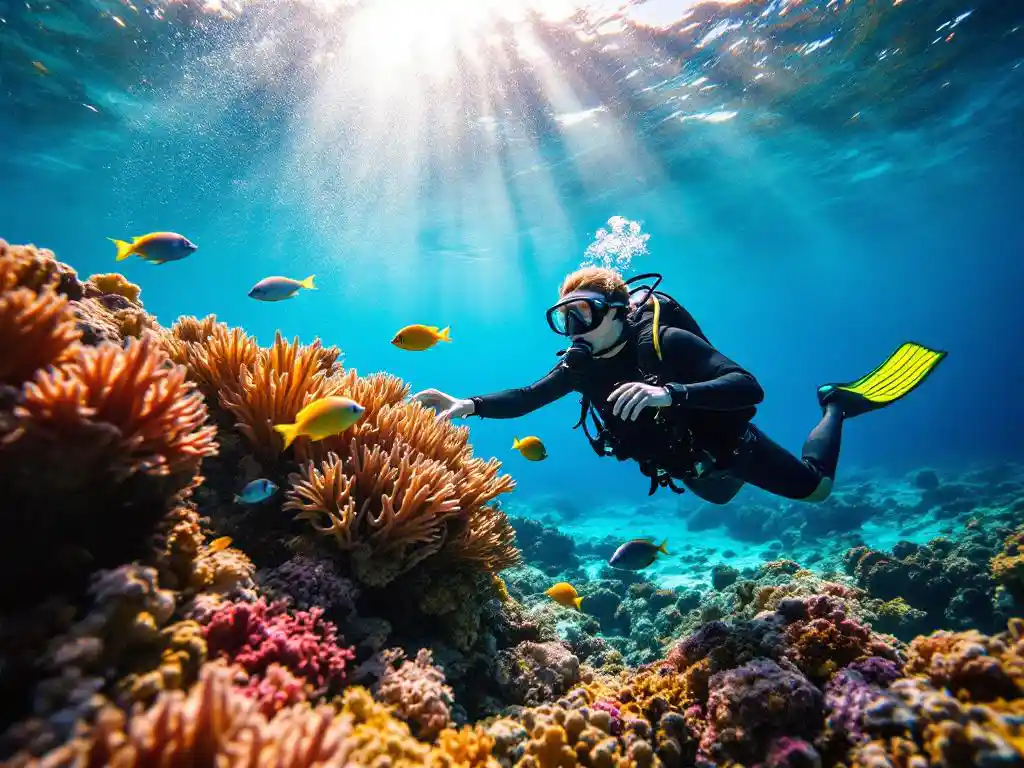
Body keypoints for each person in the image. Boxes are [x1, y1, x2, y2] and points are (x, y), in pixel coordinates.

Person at [411, 268, 946, 504]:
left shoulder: (666, 342)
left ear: (617, 312)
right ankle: (730, 477)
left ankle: (835, 405)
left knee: (818, 491)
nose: (574, 330)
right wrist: (468, 404)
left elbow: (749, 387)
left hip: (729, 447)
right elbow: (528, 397)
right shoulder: (581, 366)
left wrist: (671, 394)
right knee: (720, 498)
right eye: (564, 318)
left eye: (584, 315)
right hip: (688, 468)